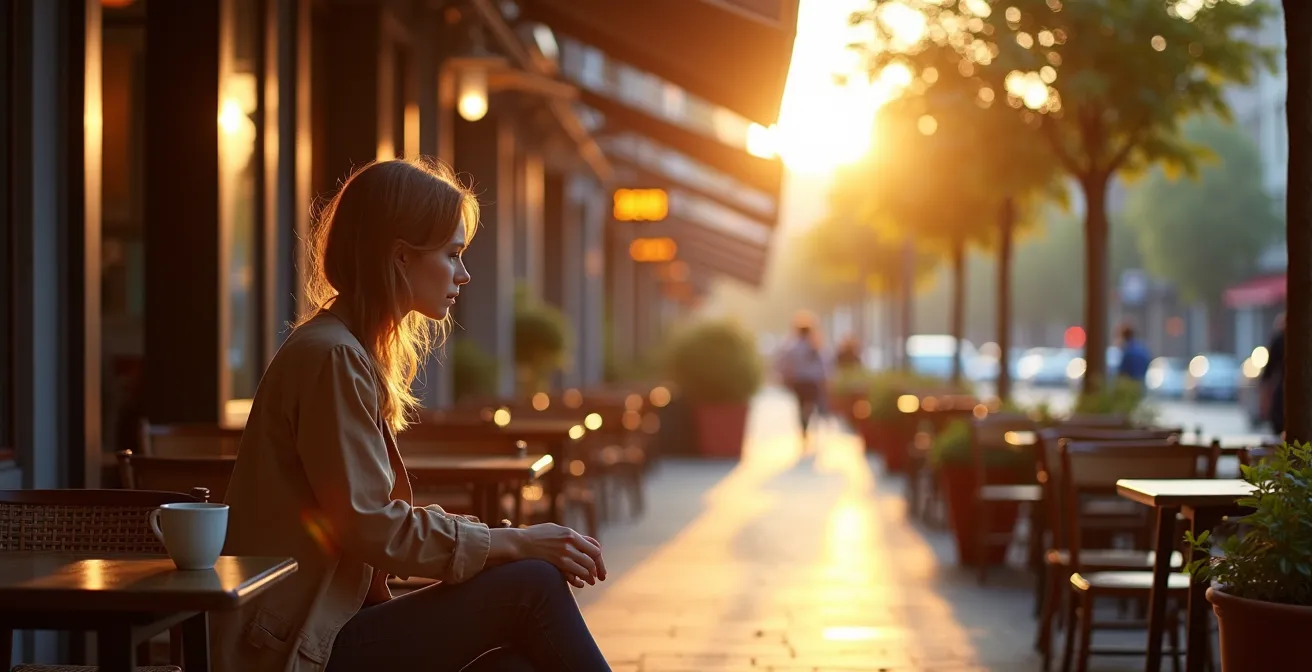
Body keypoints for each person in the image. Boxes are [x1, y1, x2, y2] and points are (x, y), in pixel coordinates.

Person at [212, 159, 611, 672]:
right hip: (293, 645)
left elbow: (368, 522)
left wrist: (496, 542)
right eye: (452, 254)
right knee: (531, 583)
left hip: (325, 626)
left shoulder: (340, 348)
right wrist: (514, 541)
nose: (464, 275)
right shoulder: (332, 356)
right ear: (401, 258)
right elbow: (371, 526)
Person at [775, 315, 829, 438]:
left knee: (801, 404)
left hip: (798, 381)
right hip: (812, 381)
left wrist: (784, 376)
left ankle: (803, 427)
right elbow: (824, 362)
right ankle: (806, 422)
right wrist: (825, 378)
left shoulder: (792, 346)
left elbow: (783, 361)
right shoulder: (815, 345)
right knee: (809, 404)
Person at [1260, 311, 1286, 436]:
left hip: (1282, 399)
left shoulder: (1280, 339)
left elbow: (1267, 375)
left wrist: (1265, 401)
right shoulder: (1280, 340)